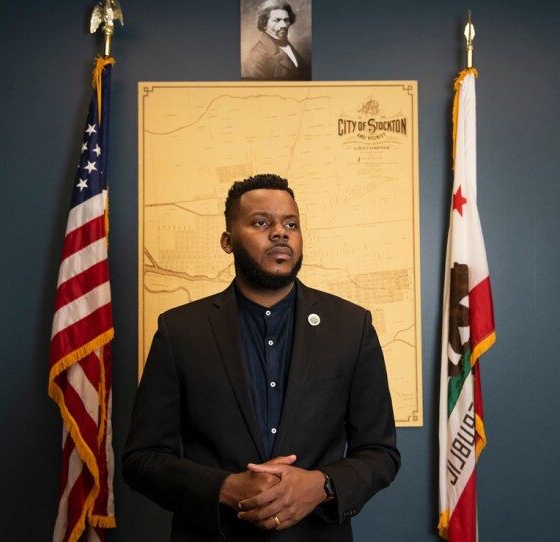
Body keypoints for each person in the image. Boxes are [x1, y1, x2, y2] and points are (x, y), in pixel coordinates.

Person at [123, 174, 400, 541]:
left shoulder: (352, 326)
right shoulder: (180, 331)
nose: (280, 233)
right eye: (260, 223)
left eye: (291, 224)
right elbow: (142, 459)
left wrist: (321, 485)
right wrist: (225, 488)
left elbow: (381, 452)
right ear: (227, 241)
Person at [243, 0, 311, 80]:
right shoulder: (256, 56)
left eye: (286, 20)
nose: (283, 25)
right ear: (264, 23)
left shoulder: (288, 45)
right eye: (276, 20)